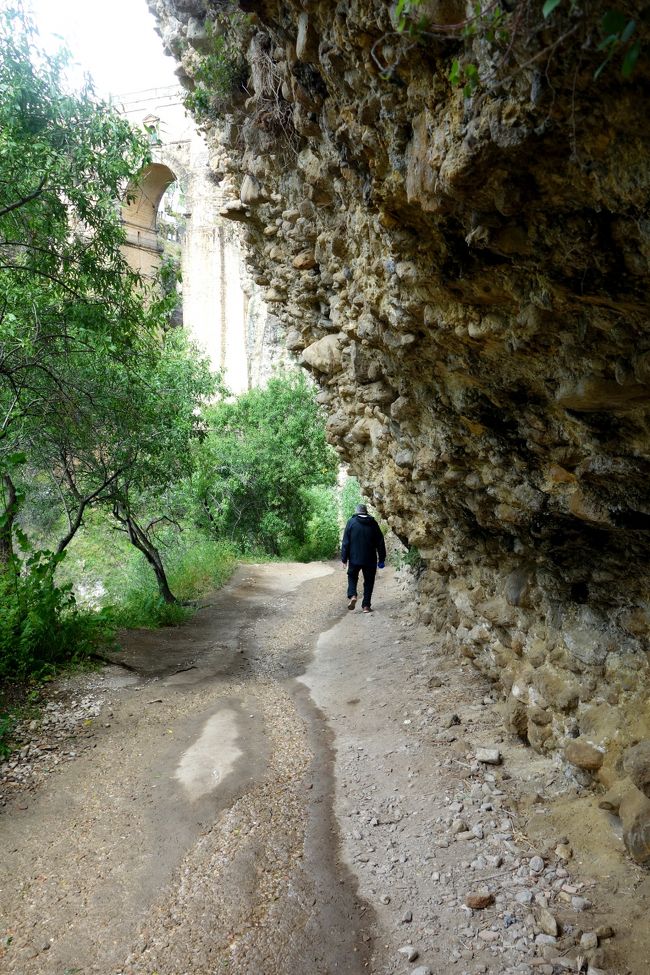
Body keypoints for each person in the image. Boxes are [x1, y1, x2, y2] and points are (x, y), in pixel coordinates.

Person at [341, 503, 386, 613]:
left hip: (354, 558)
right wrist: (381, 559)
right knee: (369, 581)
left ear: (356, 512)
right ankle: (366, 606)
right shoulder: (373, 523)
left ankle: (353, 595)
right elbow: (380, 542)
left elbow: (346, 542)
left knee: (352, 576)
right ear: (366, 511)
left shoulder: (351, 522)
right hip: (370, 559)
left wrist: (344, 559)